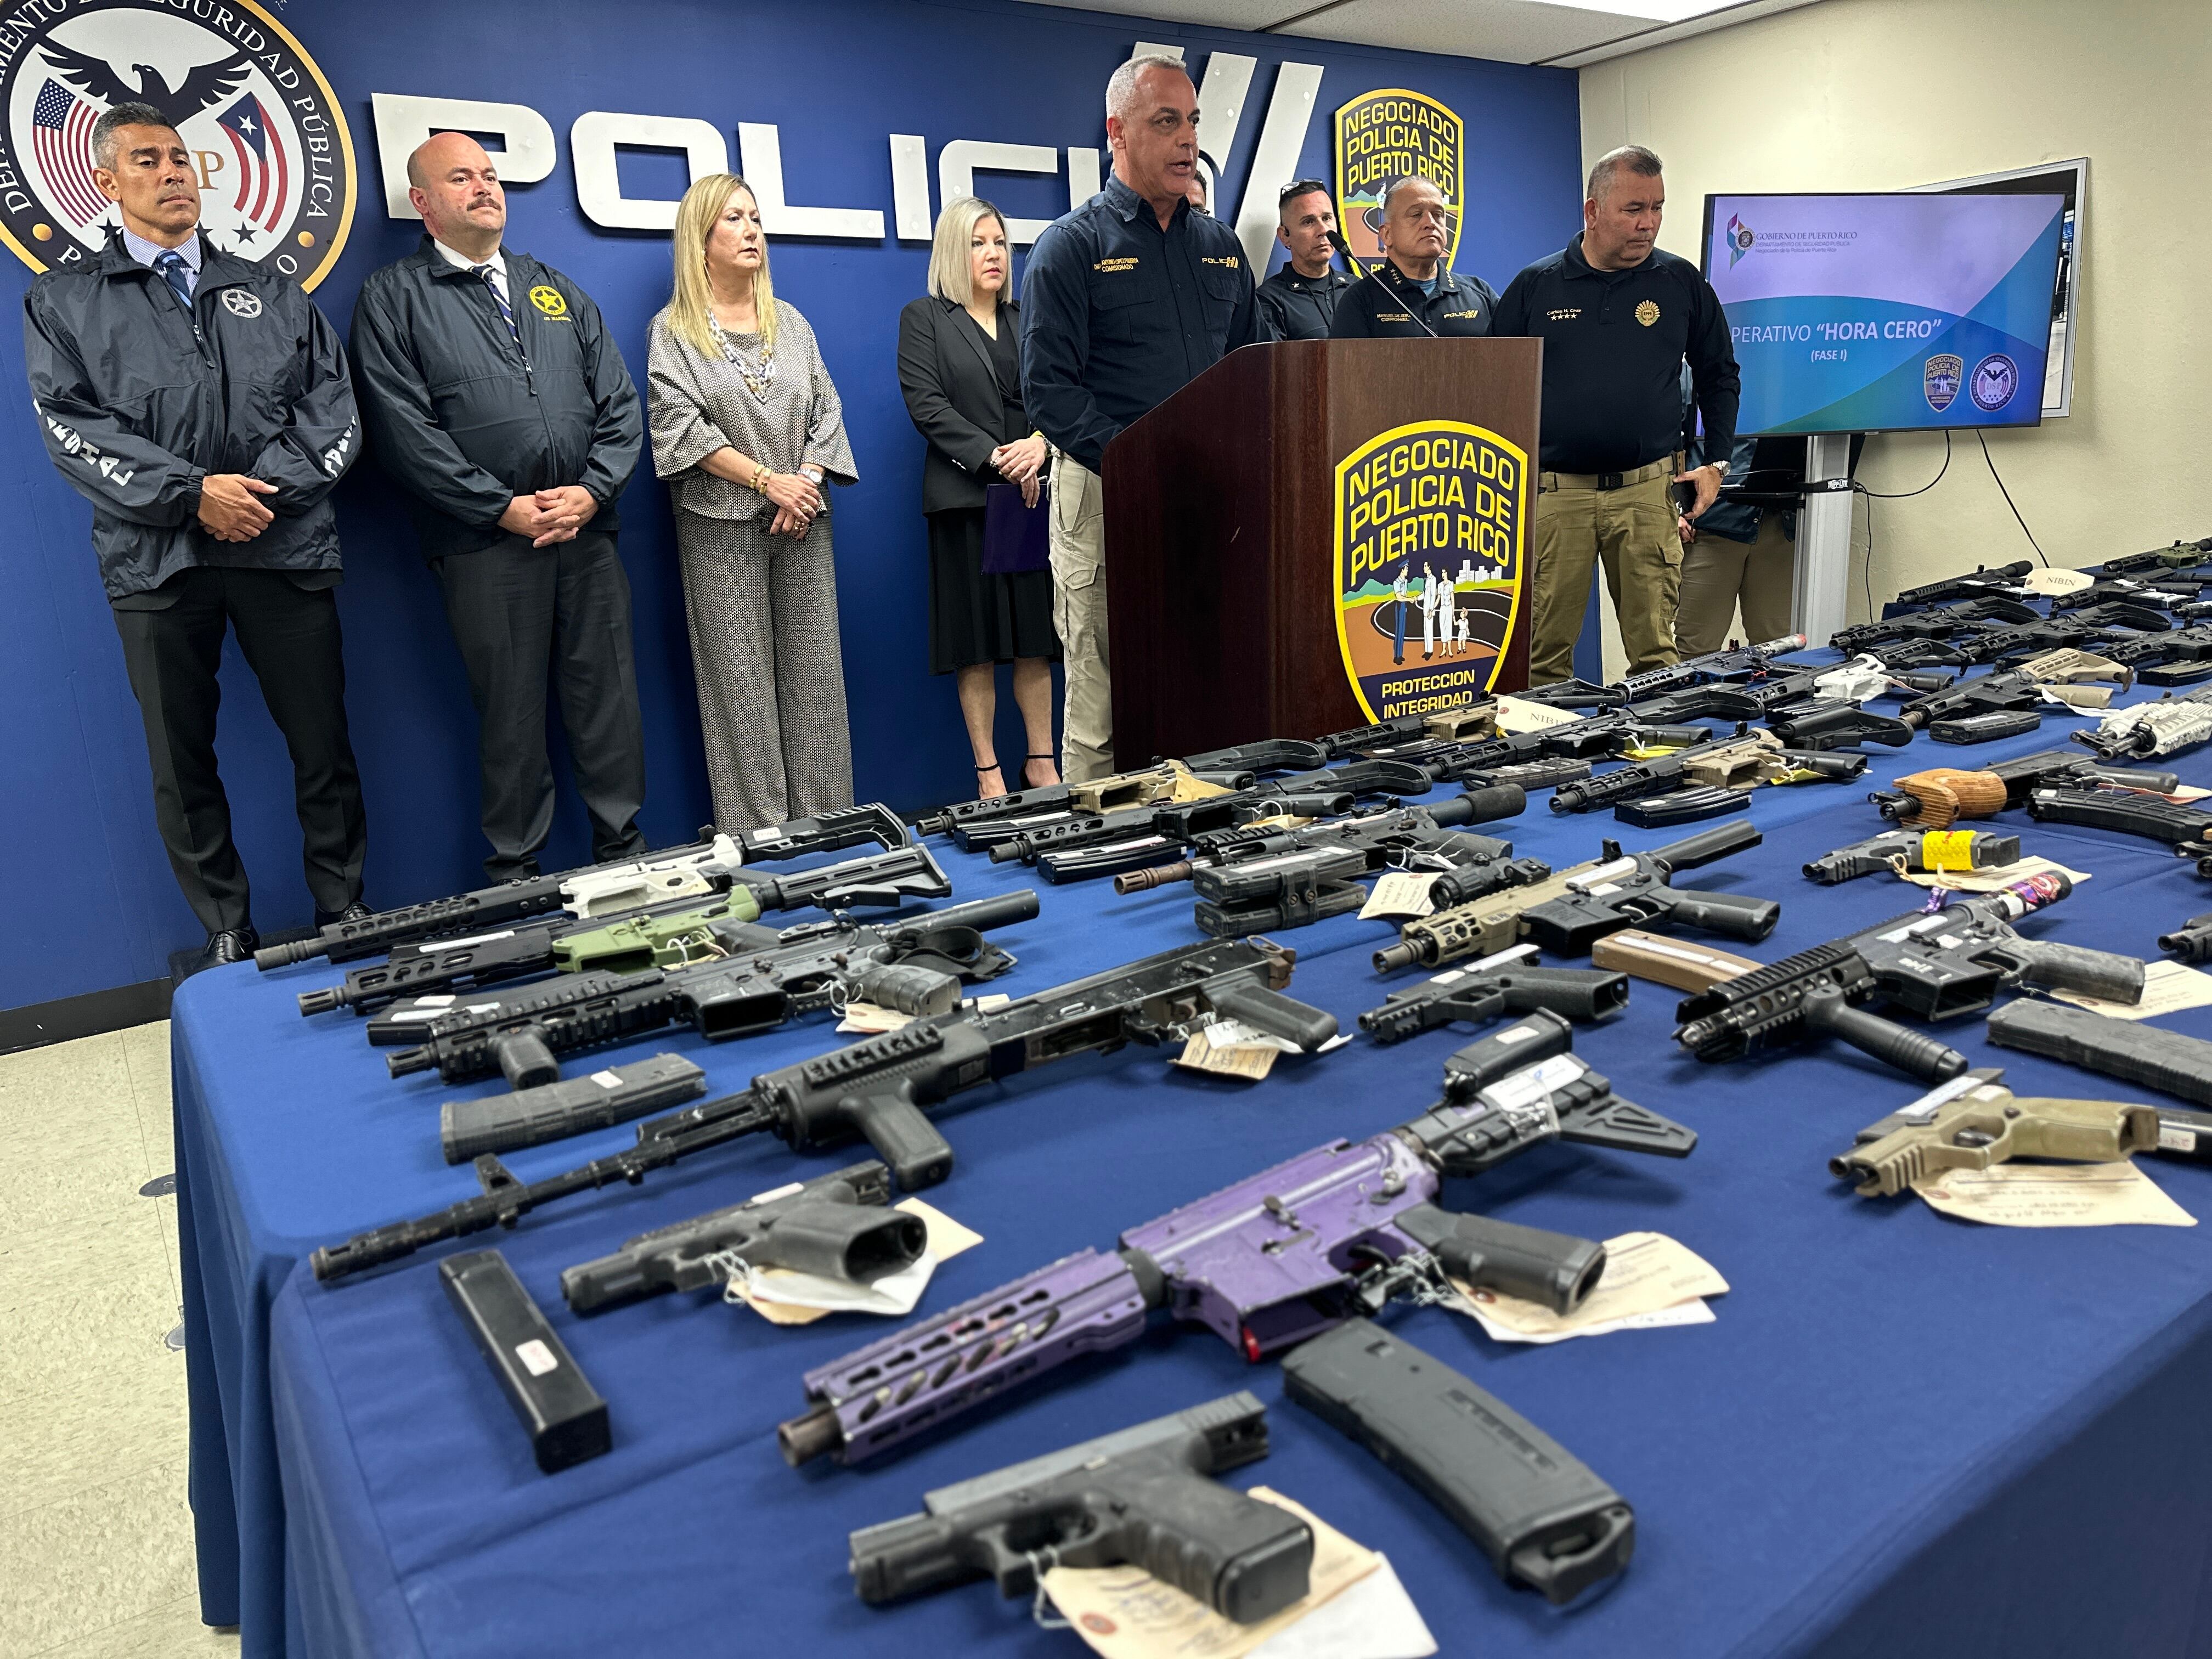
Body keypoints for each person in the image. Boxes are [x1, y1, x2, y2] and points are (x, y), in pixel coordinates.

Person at [24, 102, 369, 969]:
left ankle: (344, 905)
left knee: (322, 741)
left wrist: (258, 496)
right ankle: (225, 924)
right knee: (182, 760)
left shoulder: (273, 290)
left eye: (180, 157)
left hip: (282, 550)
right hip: (157, 561)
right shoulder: (65, 300)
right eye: (147, 160)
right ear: (106, 182)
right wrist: (190, 496)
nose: (172, 172)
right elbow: (70, 428)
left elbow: (334, 411)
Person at [352, 133, 647, 881]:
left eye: (490, 175)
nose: (485, 187)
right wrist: (499, 507)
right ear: (422, 203)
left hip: (586, 533)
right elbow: (403, 432)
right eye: (462, 178)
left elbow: (619, 406)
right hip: (485, 544)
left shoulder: (553, 287)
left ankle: (625, 856)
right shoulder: (394, 298)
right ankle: (516, 878)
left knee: (609, 703)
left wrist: (592, 490)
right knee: (511, 716)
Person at [1020, 53, 1259, 781]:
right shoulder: (1071, 248)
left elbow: (1252, 371)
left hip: (1207, 498)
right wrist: (1139, 462)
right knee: (1102, 707)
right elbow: (1048, 390)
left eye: (1193, 123)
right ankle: (1098, 841)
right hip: (1104, 496)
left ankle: (1208, 829)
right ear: (1117, 132)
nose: (1188, 140)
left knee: (1206, 687)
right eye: (1166, 122)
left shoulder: (1221, 249)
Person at [646, 173, 859, 829]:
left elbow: (827, 410)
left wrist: (805, 483)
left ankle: (828, 828)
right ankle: (761, 838)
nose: (751, 232)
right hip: (721, 527)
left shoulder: (790, 323)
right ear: (701, 239)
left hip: (803, 521)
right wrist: (770, 483)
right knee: (740, 688)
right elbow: (679, 427)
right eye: (734, 220)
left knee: (816, 680)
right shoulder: (674, 331)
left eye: (756, 219)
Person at [1492, 144, 1740, 685]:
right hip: (1556, 496)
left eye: (1657, 208)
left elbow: (1719, 373)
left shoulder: (1680, 282)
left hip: (1647, 493)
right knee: (1541, 661)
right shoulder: (1537, 285)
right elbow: (1495, 388)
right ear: (1593, 210)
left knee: (1657, 659)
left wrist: (1717, 461)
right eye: (1633, 209)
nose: (1648, 223)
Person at [896, 196, 1059, 800]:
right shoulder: (925, 318)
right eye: (977, 243)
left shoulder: (1026, 317)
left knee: (1035, 639)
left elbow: (1056, 395)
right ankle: (989, 774)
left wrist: (1039, 445)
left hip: (1029, 499)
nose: (993, 254)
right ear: (951, 251)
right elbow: (927, 406)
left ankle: (1041, 764)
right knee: (978, 646)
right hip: (966, 502)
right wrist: (996, 457)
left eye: (999, 243)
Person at [1329, 175, 1497, 340]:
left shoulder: (1480, 294)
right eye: (1416, 214)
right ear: (1387, 235)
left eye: (1438, 214)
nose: (1431, 223)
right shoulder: (1360, 300)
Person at [1255, 179, 1350, 341]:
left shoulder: (1356, 289)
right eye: (1308, 222)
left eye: (1327, 218)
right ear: (1285, 236)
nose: (1323, 230)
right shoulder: (1270, 299)